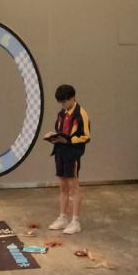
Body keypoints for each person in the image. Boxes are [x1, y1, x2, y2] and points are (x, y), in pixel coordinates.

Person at [44, 84, 90, 235]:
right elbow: (60, 131)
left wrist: (69, 140)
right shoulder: (61, 114)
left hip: (72, 154)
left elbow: (86, 136)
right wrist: (53, 137)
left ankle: (75, 221)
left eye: (64, 101)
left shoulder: (81, 114)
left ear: (72, 98)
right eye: (60, 102)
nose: (62, 105)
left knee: (73, 187)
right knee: (63, 186)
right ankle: (62, 218)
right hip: (60, 152)